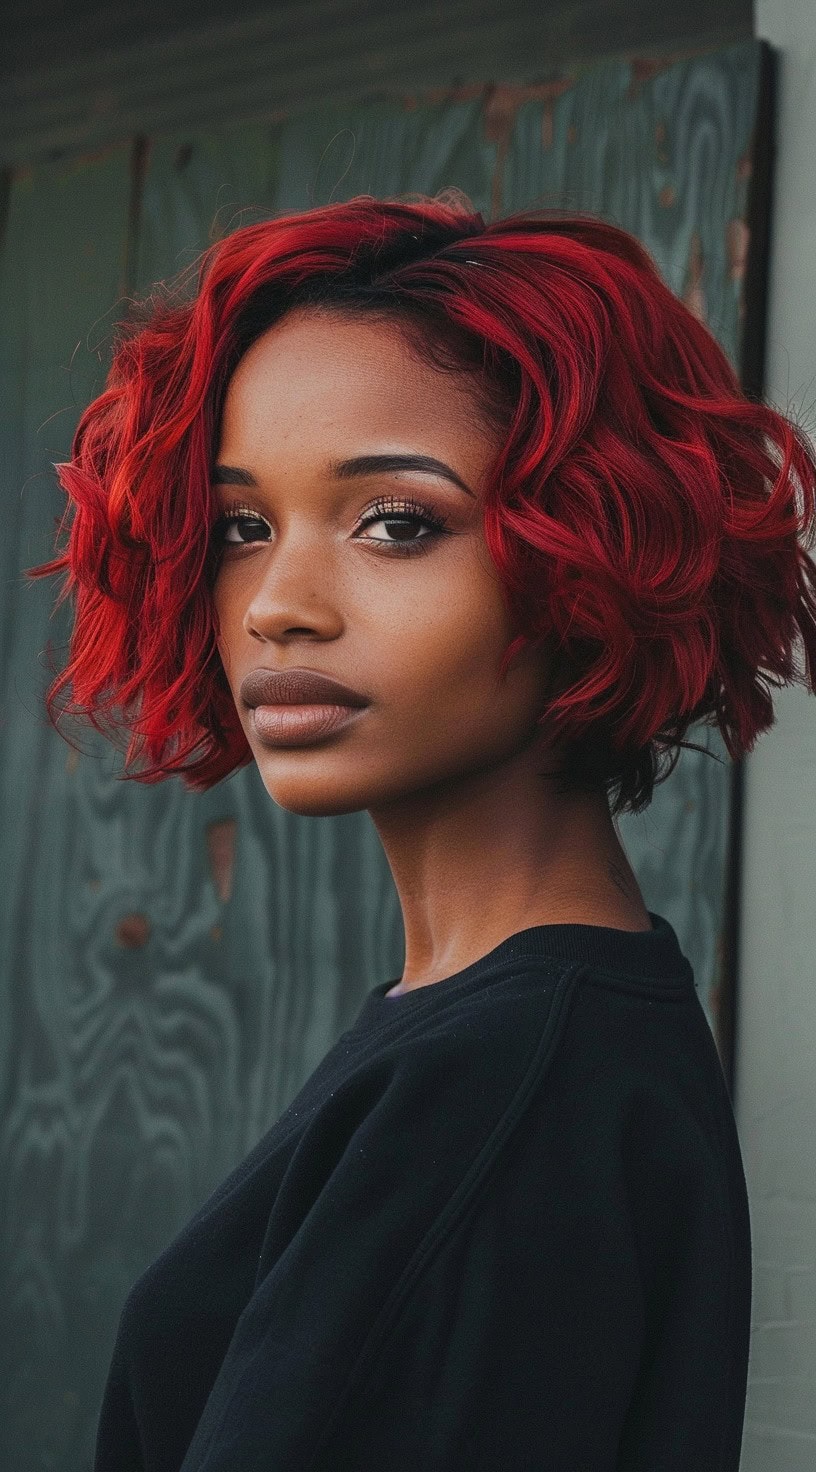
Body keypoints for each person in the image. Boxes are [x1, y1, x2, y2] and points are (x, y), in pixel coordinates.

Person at [28, 190, 816, 1470]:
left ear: (594, 543)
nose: (278, 603)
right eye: (243, 526)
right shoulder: (532, 1033)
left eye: (397, 521)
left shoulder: (502, 1086)